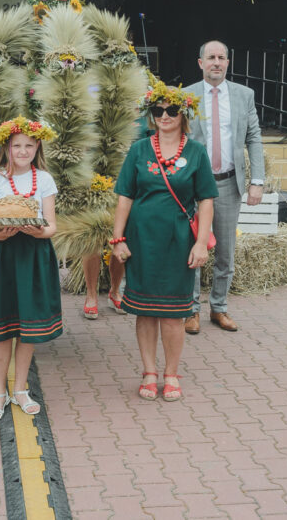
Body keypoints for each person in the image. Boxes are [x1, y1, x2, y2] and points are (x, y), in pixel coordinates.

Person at [111, 83, 216, 402]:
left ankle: (171, 373)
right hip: (142, 241)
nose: (164, 116)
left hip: (178, 241)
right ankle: (148, 372)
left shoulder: (196, 151)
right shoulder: (139, 149)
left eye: (171, 110)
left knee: (173, 312)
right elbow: (124, 196)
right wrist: (117, 239)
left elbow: (207, 201)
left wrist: (200, 244)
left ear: (183, 113)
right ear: (150, 115)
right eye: (157, 111)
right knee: (145, 310)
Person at [0, 116, 61, 423]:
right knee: (1, 329)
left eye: (29, 145)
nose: (23, 151)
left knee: (28, 328)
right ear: (7, 147)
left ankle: (21, 387)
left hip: (33, 255)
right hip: (2, 255)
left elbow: (51, 224)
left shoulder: (45, 179)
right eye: (17, 146)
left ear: (37, 145)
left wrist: (38, 231)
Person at [184, 40, 264, 334]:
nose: (216, 62)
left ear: (228, 63)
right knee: (192, 248)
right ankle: (190, 311)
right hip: (192, 187)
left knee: (226, 253)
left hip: (228, 184)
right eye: (210, 57)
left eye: (221, 58)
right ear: (200, 62)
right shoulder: (185, 96)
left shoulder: (244, 95)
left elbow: (254, 138)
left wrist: (257, 181)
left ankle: (219, 308)